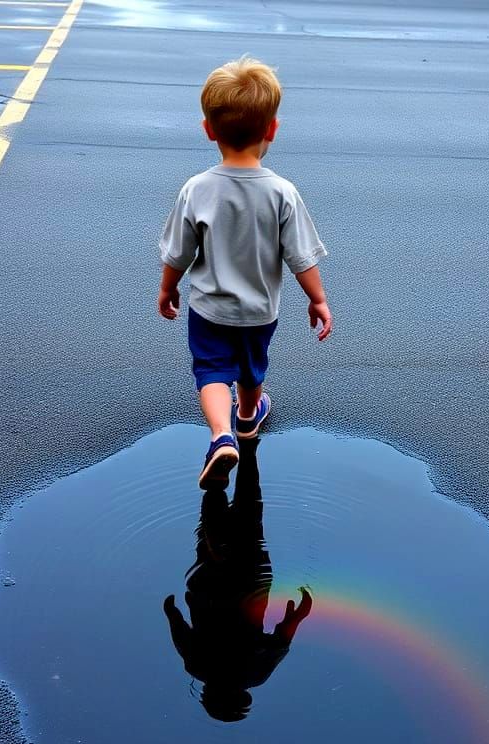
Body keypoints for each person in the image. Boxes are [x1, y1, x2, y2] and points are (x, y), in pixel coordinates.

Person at [157, 56, 332, 488]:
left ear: (208, 129)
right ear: (272, 129)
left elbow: (178, 252)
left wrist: (167, 290)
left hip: (209, 308)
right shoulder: (282, 192)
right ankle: (249, 418)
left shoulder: (196, 189)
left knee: (212, 371)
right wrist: (318, 299)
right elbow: (301, 257)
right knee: (252, 371)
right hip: (260, 311)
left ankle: (221, 436)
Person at [163, 439, 313, 721]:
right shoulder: (197, 667)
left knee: (250, 512)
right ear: (208, 695)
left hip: (249, 582)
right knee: (211, 529)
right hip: (208, 588)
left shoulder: (256, 673)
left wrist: (299, 612)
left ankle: (247, 450)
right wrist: (170, 610)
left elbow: (282, 638)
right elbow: (178, 627)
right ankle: (218, 478)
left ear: (244, 697)